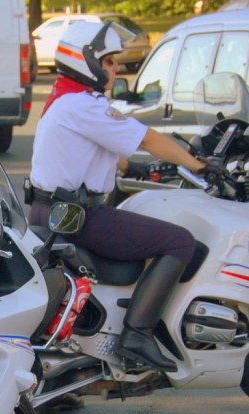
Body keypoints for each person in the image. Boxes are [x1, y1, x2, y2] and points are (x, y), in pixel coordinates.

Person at [29, 21, 214, 372]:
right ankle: (138, 334)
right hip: (80, 218)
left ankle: (68, 371)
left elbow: (106, 150)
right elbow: (147, 138)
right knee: (179, 242)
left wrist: (138, 170)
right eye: (110, 61)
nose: (116, 69)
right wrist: (198, 165)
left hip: (47, 211)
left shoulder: (65, 98)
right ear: (89, 61)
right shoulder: (84, 105)